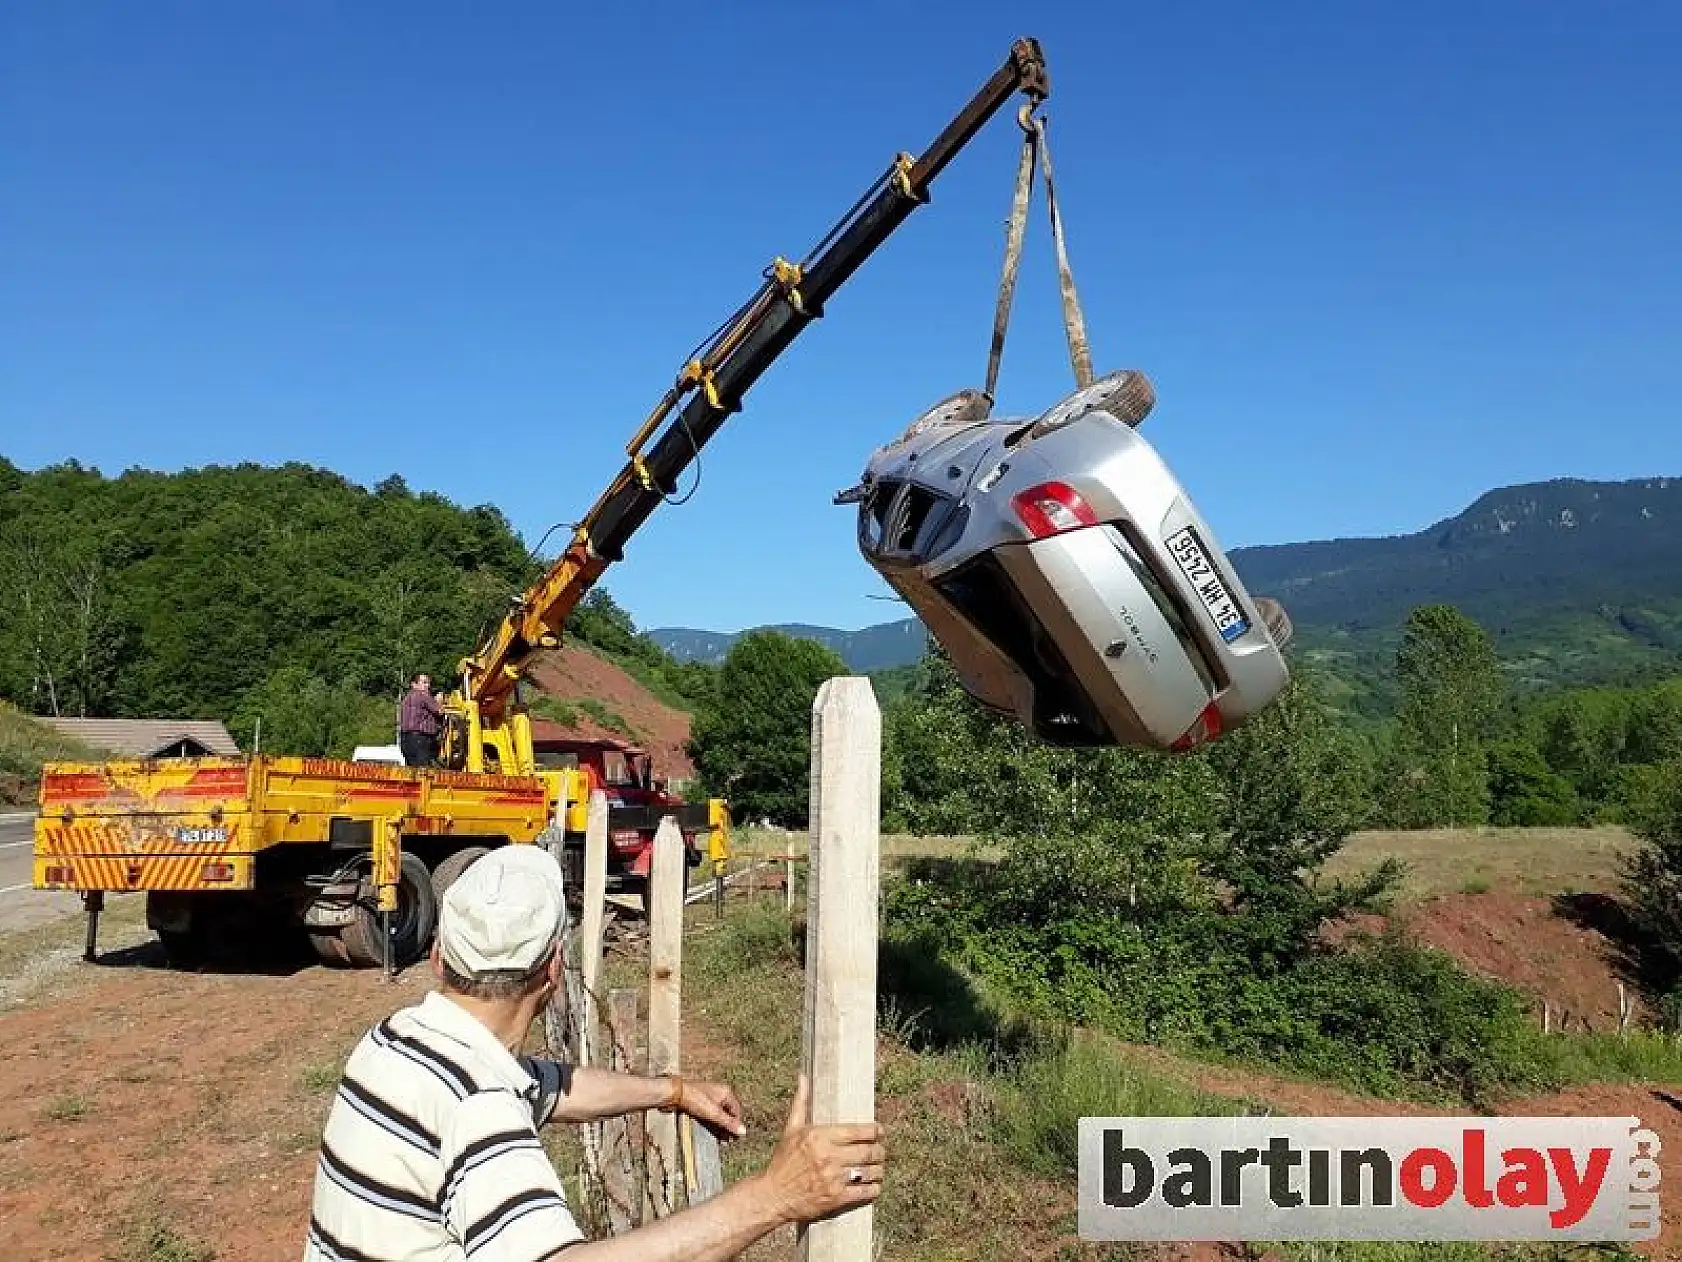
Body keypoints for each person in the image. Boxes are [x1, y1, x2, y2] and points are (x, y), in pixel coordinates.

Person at [303, 844, 884, 1262]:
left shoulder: (396, 1042)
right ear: (555, 970)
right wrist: (775, 1196)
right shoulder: (478, 1104)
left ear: (438, 958)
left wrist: (673, 1091)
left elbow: (545, 1087)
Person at [398, 671, 444, 767]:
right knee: (423, 770)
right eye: (424, 682)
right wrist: (439, 700)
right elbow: (439, 711)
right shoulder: (423, 695)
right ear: (414, 684)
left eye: (428, 683)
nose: (427, 686)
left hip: (405, 739)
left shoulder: (406, 698)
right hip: (421, 738)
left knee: (412, 769)